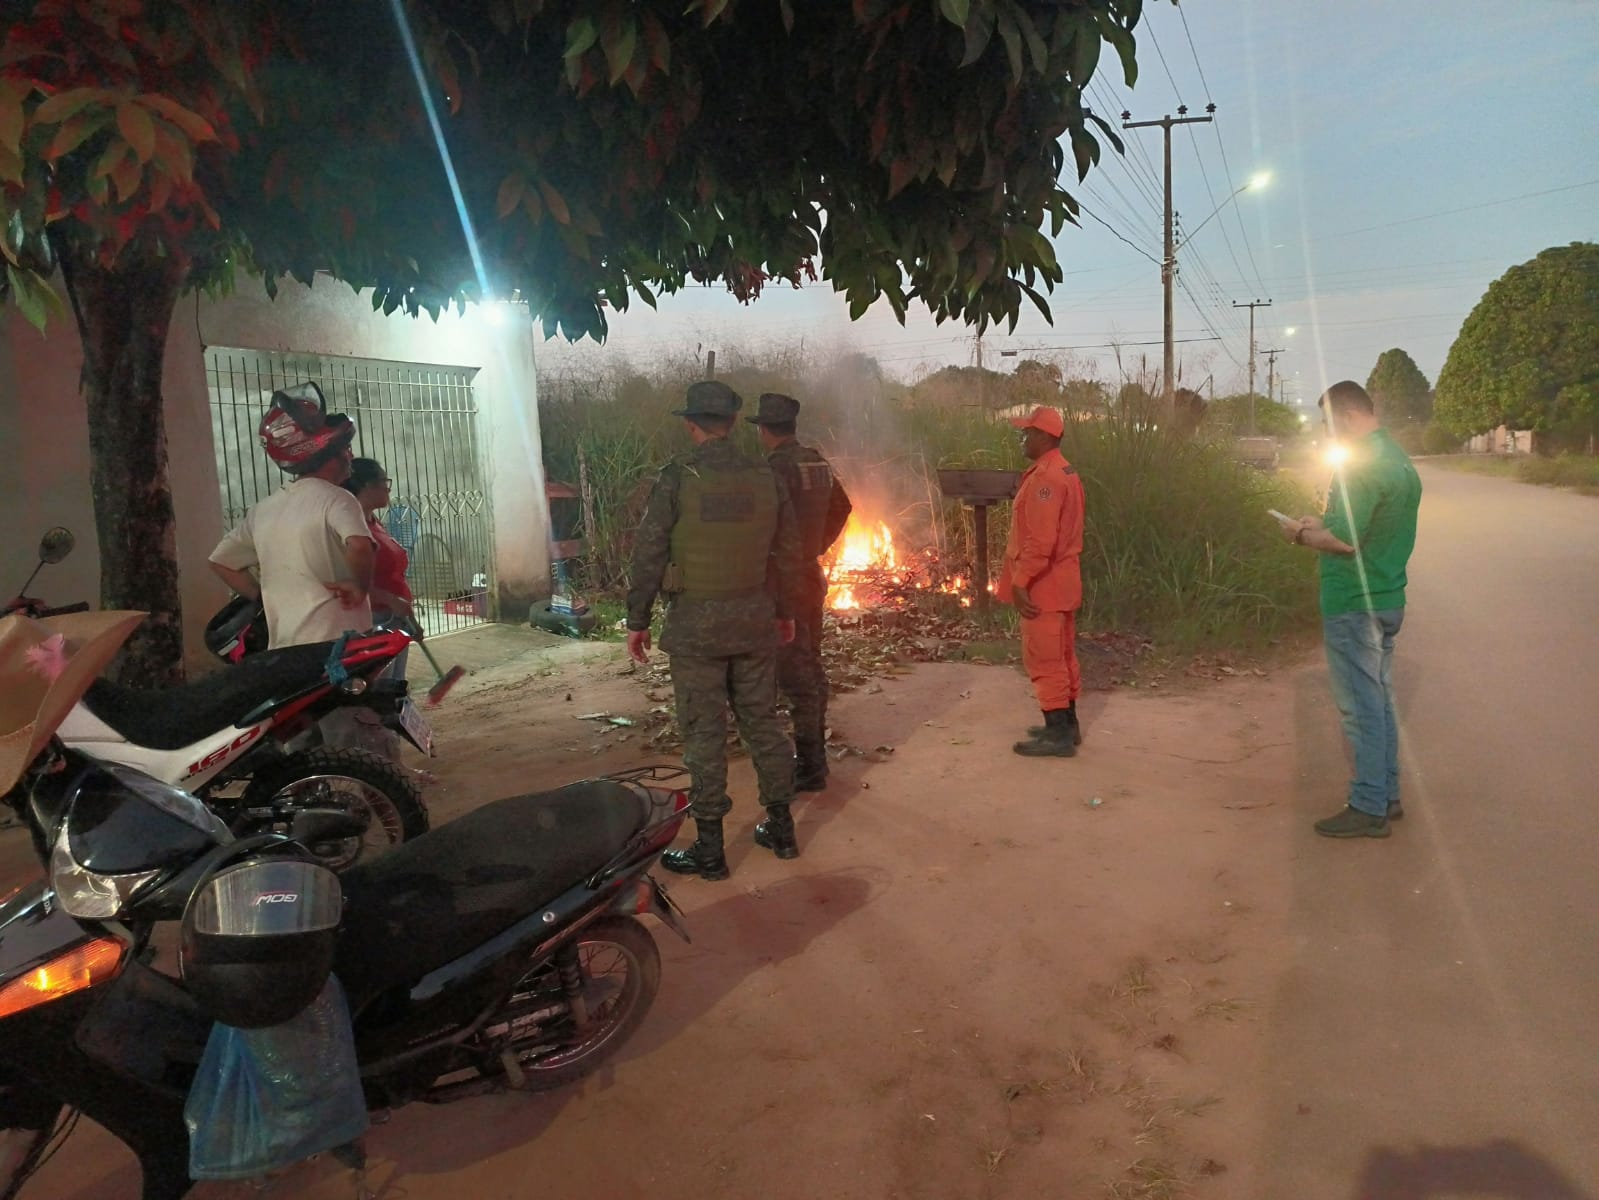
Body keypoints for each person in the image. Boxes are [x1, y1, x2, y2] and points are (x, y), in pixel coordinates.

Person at [625, 380, 805, 881]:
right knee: (763, 725)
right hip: (755, 623)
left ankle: (710, 850)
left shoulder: (678, 477)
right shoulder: (766, 476)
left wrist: (637, 620)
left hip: (695, 631)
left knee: (704, 735)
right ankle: (783, 829)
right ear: (729, 423)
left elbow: (649, 554)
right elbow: (789, 554)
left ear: (691, 423)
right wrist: (785, 612)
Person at [1281, 380, 1422, 839]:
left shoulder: (1358, 466)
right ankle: (1387, 794)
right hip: (1386, 596)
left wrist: (1299, 535)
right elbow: (1359, 525)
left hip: (1354, 605)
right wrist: (1320, 522)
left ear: (1343, 417)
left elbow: (1345, 541)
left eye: (1328, 424)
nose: (1328, 434)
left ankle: (1367, 805)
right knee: (1379, 702)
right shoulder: (1397, 459)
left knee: (1361, 709)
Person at [209, 383, 375, 651]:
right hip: (339, 643)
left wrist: (264, 596)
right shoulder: (338, 499)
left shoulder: (263, 510)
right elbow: (359, 545)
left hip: (285, 646)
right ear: (328, 454)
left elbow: (221, 561)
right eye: (345, 448)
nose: (351, 456)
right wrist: (358, 586)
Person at [746, 392, 852, 792]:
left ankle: (809, 766)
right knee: (810, 665)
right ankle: (812, 758)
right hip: (809, 577)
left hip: (781, 586)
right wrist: (817, 546)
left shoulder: (773, 469)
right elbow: (843, 507)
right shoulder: (816, 461)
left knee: (793, 674)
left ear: (763, 429)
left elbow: (760, 528)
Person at [997, 405, 1087, 757]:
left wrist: (1021, 581)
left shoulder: (1047, 479)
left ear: (1045, 436)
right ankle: (1068, 725)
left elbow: (1041, 540)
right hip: (1062, 580)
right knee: (1063, 655)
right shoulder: (1064, 471)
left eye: (1028, 432)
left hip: (1044, 585)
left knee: (1045, 657)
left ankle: (1057, 735)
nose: (1023, 437)